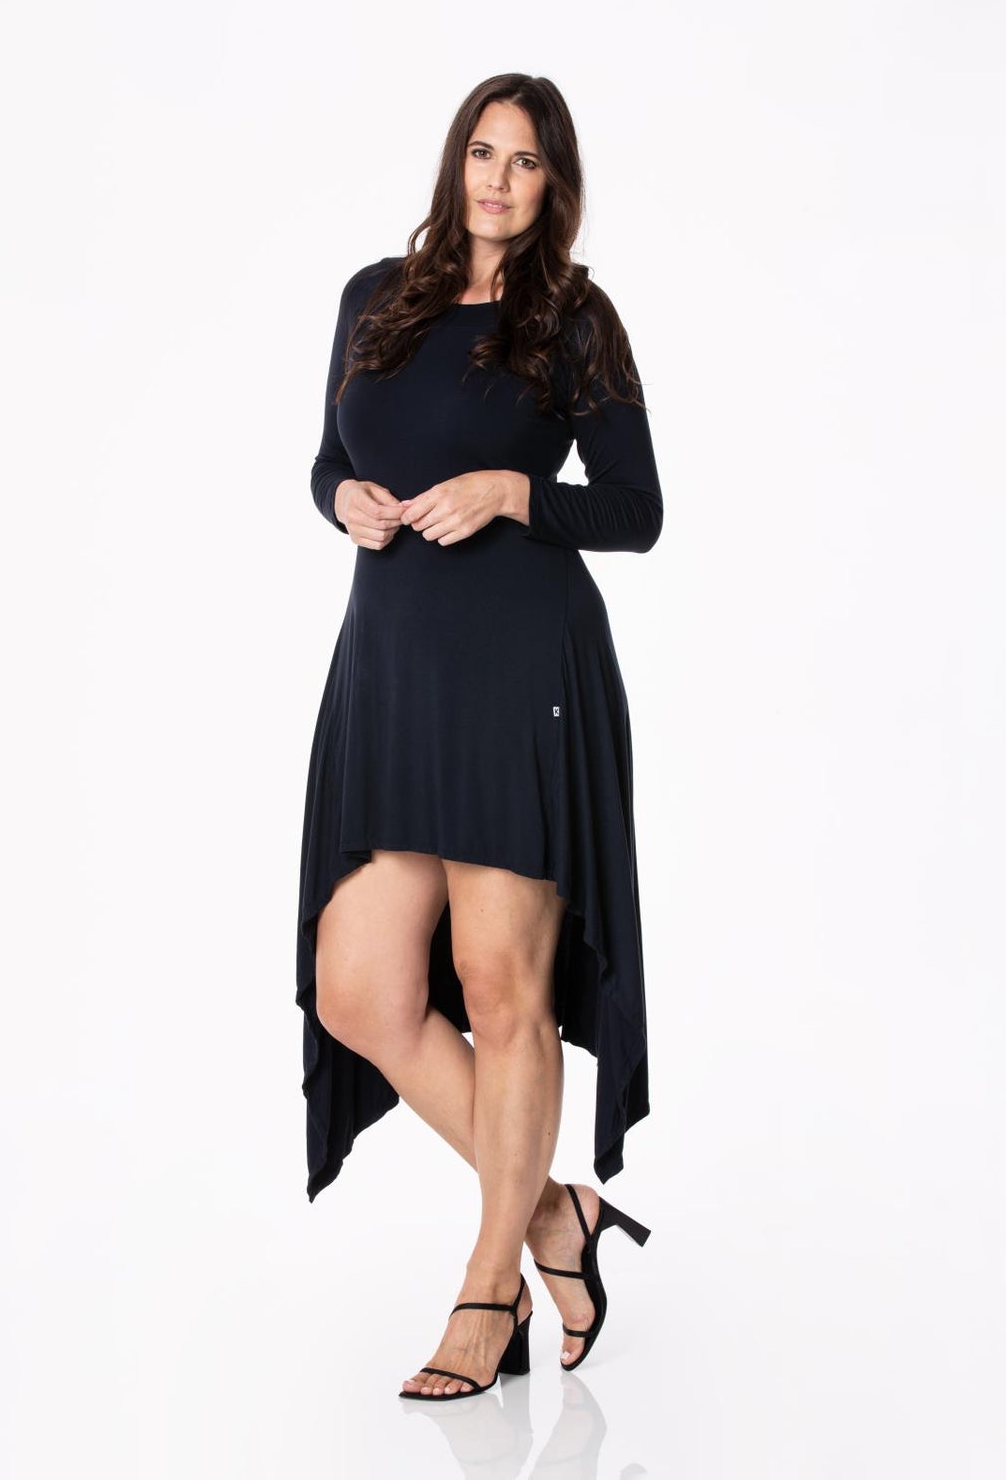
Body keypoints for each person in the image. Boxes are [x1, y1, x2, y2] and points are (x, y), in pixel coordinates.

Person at [295, 73, 662, 1400]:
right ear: (456, 161)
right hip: (393, 675)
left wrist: (518, 490)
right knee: (359, 988)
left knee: (504, 992)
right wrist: (344, 497)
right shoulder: (374, 299)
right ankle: (558, 1218)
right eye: (483, 152)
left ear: (555, 185)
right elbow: (324, 460)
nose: (498, 180)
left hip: (520, 675)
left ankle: (489, 1285)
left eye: (526, 162)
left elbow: (636, 510)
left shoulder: (574, 319)